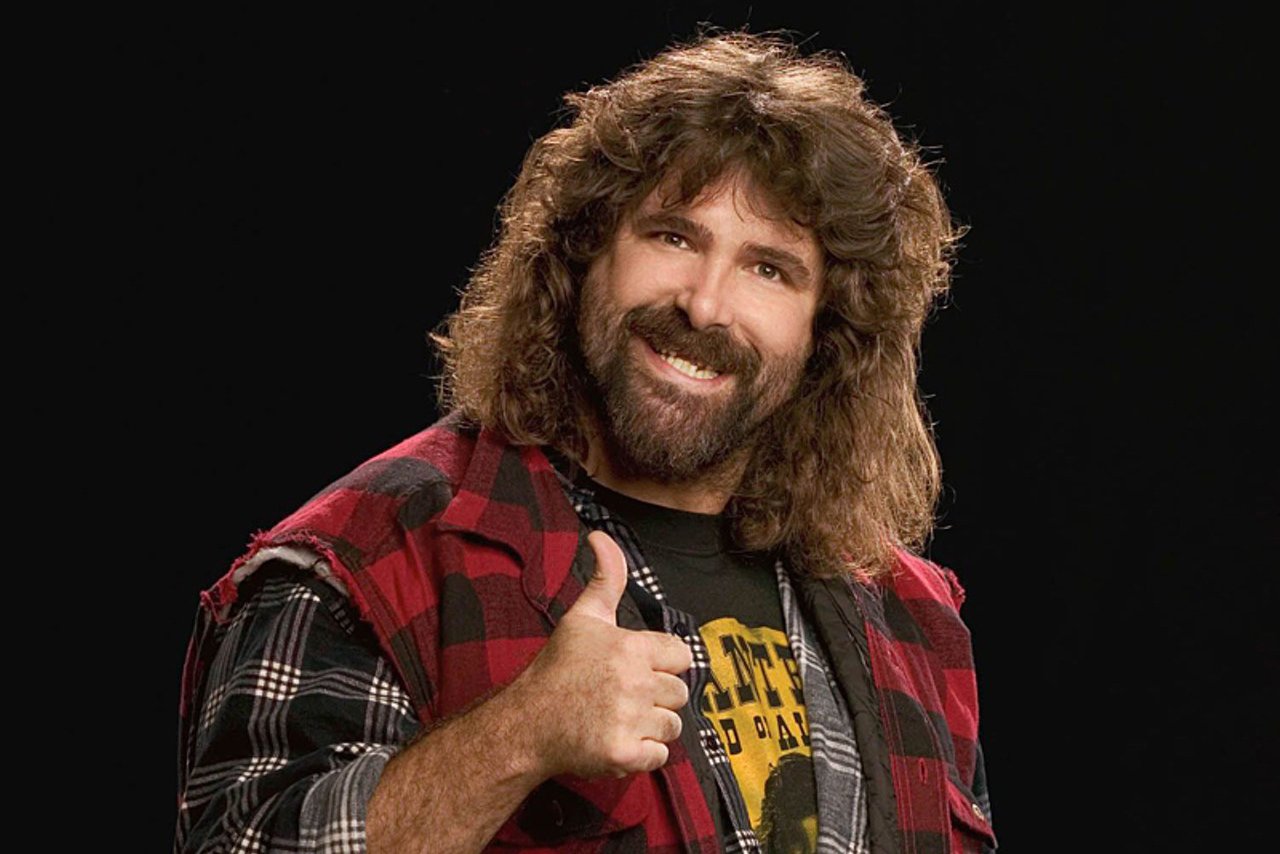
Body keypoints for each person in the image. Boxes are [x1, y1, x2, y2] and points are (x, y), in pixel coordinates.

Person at [174, 29, 995, 854]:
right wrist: (522, 734)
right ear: (583, 251)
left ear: (827, 330)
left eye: (769, 269)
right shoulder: (378, 555)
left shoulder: (910, 618)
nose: (706, 305)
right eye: (673, 236)